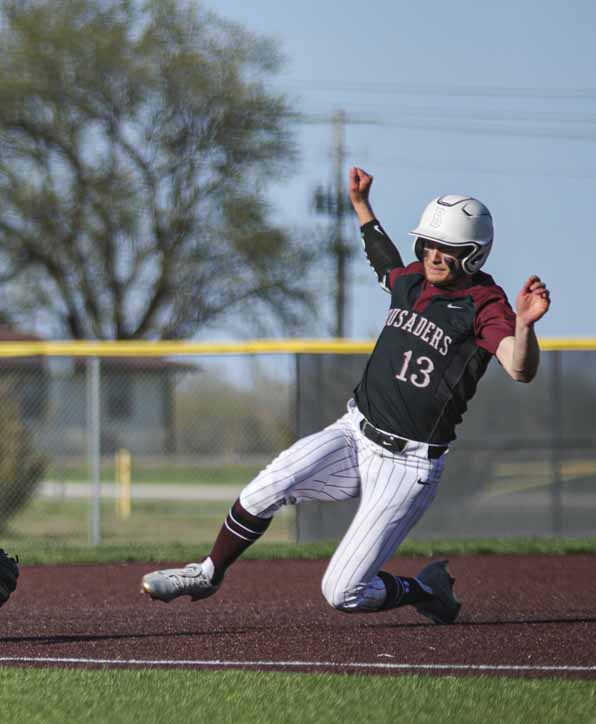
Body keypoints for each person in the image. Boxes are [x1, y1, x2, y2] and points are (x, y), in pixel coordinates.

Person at [141, 167, 551, 623]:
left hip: (408, 463)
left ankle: (423, 589)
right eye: (429, 244)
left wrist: (525, 325)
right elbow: (383, 261)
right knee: (265, 487)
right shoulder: (413, 281)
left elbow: (519, 368)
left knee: (343, 592)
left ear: (473, 255)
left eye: (448, 249)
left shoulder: (484, 303)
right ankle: (207, 572)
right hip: (355, 433)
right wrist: (362, 206)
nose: (435, 255)